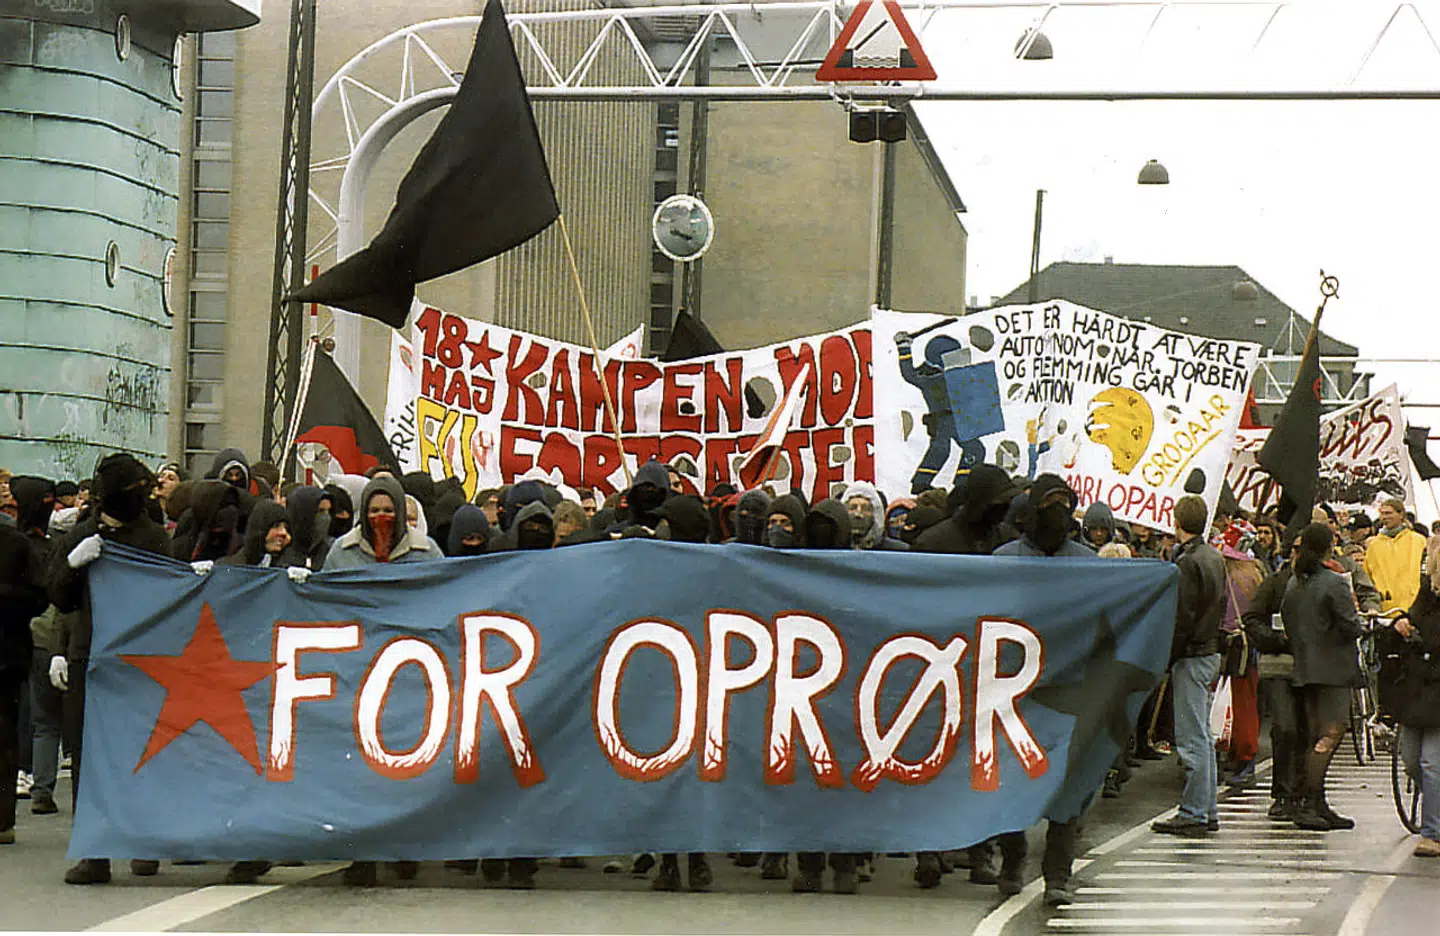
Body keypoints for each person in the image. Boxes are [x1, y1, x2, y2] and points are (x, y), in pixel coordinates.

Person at [49, 454, 171, 884]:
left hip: (140, 662)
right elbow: (60, 598)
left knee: (142, 753)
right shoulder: (82, 536)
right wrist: (73, 565)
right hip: (91, 657)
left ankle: (143, 842)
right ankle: (95, 852)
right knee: (87, 757)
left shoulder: (154, 538)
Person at [985, 476, 1093, 906]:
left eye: (1065, 505)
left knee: (1070, 786)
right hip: (1015, 693)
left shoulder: (1089, 565)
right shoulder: (1002, 560)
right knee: (1011, 782)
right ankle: (1013, 859)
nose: (1058, 513)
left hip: (1070, 693)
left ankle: (1058, 874)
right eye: (1049, 504)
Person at [1151, 495, 1226, 839]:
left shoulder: (1188, 562)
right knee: (1202, 737)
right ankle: (1204, 807)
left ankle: (1195, 812)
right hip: (1209, 650)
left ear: (1176, 520)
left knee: (1191, 737)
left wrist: (1167, 656)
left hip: (1192, 654)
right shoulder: (1214, 557)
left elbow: (1183, 615)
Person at [1283, 522, 1366, 831]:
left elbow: (1288, 622)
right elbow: (1351, 625)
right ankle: (1307, 802)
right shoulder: (1334, 583)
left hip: (1305, 668)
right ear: (1329, 547)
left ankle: (1317, 802)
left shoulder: (1295, 583)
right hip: (1333, 669)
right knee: (1329, 736)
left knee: (1314, 738)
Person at [0, 476, 55, 845]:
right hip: (10, 652)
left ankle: (2, 819)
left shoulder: (14, 544)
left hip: (6, 656)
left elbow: (40, 596)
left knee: (5, 736)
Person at [1243, 531, 1307, 820]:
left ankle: (1304, 794)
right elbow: (1252, 618)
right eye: (1295, 549)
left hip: (1313, 668)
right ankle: (1282, 794)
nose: (1299, 555)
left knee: (1307, 731)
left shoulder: (1326, 583)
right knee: (1284, 727)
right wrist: (1275, 640)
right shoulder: (1276, 582)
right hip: (1279, 666)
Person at [1385, 533, 1440, 857]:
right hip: (1417, 686)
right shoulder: (1426, 591)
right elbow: (1412, 615)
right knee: (1410, 760)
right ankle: (1434, 807)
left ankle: (1433, 832)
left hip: (1437, 688)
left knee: (1431, 763)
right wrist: (1402, 622)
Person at [1365, 498, 1428, 614]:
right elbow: (1367, 578)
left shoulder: (1418, 540)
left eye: (1388, 513)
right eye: (1382, 513)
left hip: (1415, 608)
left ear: (1401, 514)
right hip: (1386, 610)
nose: (1384, 517)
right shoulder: (1373, 545)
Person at [840, 482, 906, 551]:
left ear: (875, 515)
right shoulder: (833, 548)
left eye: (865, 508)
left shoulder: (897, 551)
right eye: (853, 508)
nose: (858, 514)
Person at [280, 486, 334, 570]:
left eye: (329, 511)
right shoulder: (279, 549)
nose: (326, 517)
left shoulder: (332, 551)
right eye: (321, 511)